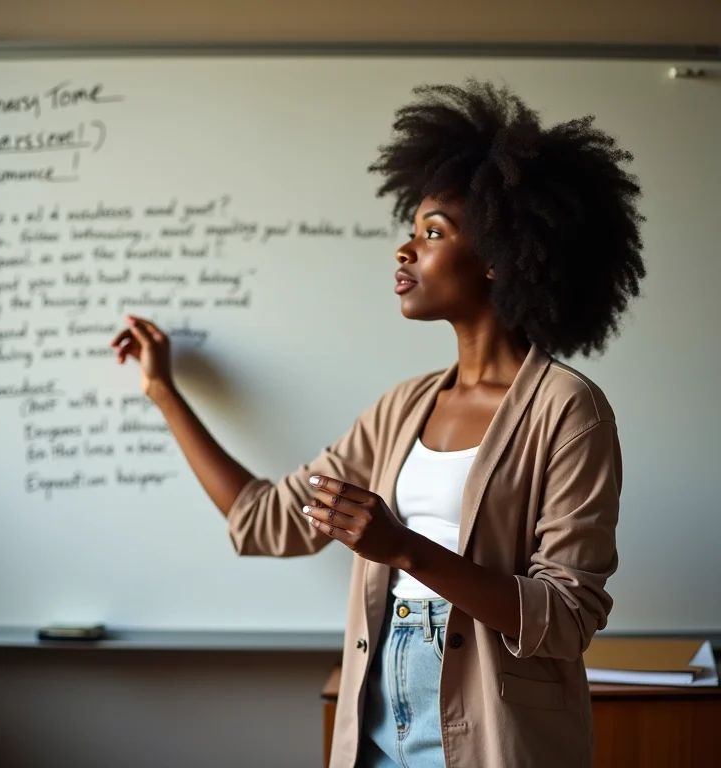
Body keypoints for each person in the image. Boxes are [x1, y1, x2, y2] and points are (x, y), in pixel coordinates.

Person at [110, 80, 645, 768]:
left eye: (431, 233)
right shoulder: (401, 408)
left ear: (498, 258)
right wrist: (162, 390)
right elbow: (263, 520)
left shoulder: (569, 409)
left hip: (495, 727)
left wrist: (406, 549)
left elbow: (567, 618)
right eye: (411, 230)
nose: (404, 251)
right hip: (376, 716)